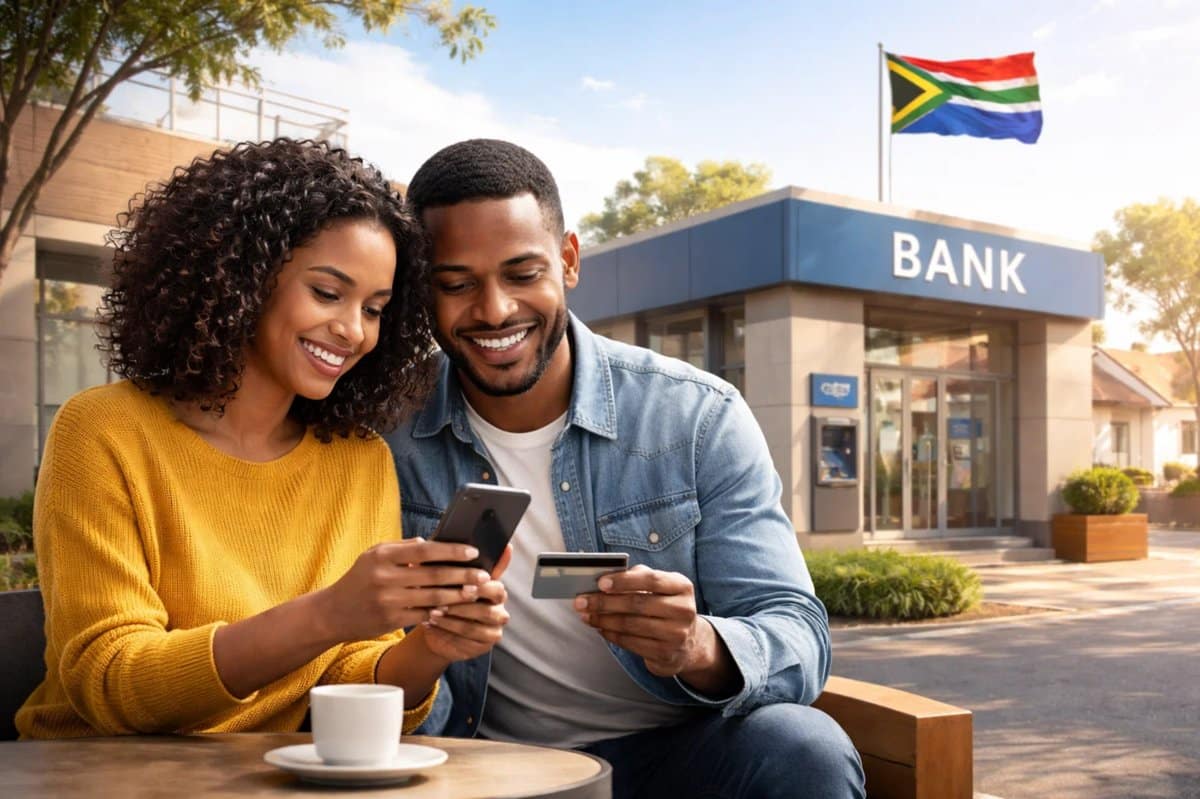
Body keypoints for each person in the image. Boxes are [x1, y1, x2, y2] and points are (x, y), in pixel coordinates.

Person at [386, 139, 866, 798]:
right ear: (423, 292)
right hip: (481, 764)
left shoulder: (697, 417)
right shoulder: (389, 433)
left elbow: (796, 630)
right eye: (457, 284)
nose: (494, 309)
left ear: (570, 261)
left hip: (673, 753)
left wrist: (698, 645)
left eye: (523, 273)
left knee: (804, 747)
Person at [16, 138, 511, 739]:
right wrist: (328, 613)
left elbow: (348, 684)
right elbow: (111, 685)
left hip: (276, 776)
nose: (353, 331)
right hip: (103, 775)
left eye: (376, 308)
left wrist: (432, 645)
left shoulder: (358, 458)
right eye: (327, 293)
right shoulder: (103, 432)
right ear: (241, 278)